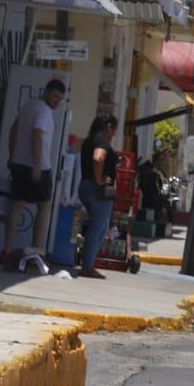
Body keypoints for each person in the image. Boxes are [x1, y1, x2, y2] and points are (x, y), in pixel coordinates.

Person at [7, 79, 65, 254]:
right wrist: (38, 165)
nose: (56, 101)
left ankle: (7, 249)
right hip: (39, 165)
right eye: (54, 96)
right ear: (46, 91)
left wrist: (12, 155)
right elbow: (37, 135)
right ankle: (36, 249)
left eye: (59, 99)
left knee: (17, 205)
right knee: (44, 206)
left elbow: (13, 129)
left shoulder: (28, 106)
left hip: (18, 162)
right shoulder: (44, 111)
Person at [78, 115, 119, 279]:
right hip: (97, 191)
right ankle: (87, 266)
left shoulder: (89, 140)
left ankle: (88, 263)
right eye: (114, 130)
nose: (113, 134)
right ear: (108, 127)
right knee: (97, 229)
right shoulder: (102, 141)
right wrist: (99, 178)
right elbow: (98, 158)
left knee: (101, 228)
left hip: (85, 187)